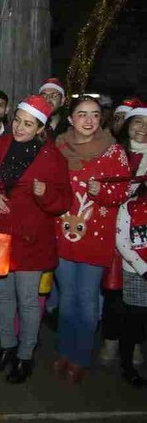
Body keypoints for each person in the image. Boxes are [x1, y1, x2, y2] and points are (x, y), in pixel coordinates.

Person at [0, 96, 72, 383]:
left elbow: (63, 201)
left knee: (28, 301)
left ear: (40, 127)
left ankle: (26, 355)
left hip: (31, 239)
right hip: (1, 235)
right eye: (18, 121)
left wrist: (44, 193)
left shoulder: (52, 157)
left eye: (28, 124)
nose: (20, 127)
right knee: (2, 297)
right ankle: (7, 348)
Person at [52, 96, 131, 383]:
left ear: (101, 119)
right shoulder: (58, 147)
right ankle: (64, 350)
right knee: (67, 299)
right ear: (70, 119)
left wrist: (102, 192)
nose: (88, 120)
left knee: (86, 301)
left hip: (95, 237)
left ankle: (80, 358)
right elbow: (49, 186)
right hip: (62, 234)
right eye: (82, 114)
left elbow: (122, 193)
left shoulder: (113, 152)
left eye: (95, 115)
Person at [100, 105, 147, 367]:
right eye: (137, 122)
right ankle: (111, 338)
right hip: (112, 230)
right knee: (114, 291)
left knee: (140, 298)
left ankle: (136, 342)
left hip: (142, 234)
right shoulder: (115, 154)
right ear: (127, 125)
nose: (142, 129)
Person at [115, 179, 147, 387]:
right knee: (133, 322)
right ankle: (127, 365)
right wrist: (144, 269)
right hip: (136, 272)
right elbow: (122, 242)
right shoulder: (129, 206)